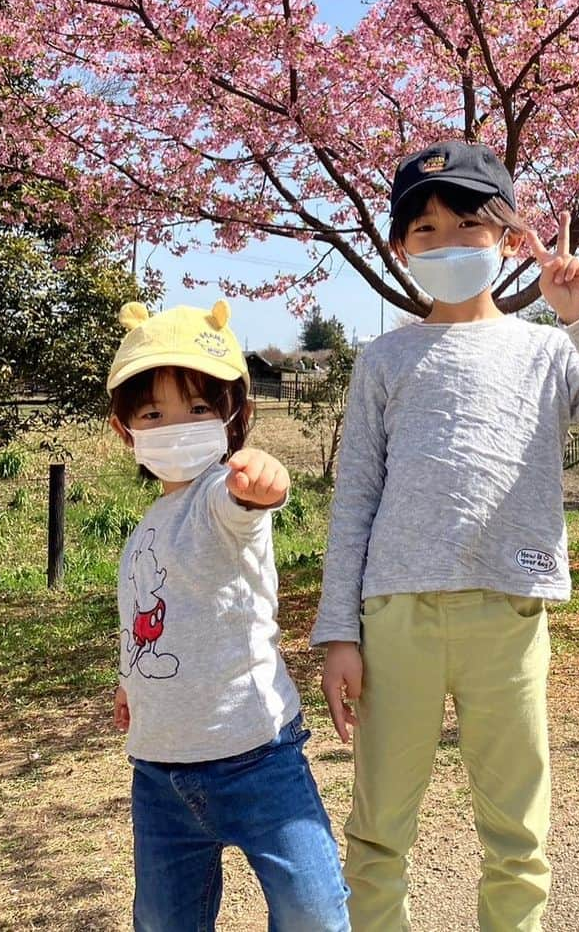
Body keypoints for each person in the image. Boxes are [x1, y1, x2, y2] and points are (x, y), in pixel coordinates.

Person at [312, 140, 579, 932]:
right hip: (394, 617)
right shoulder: (384, 359)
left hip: (509, 611)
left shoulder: (546, 350)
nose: (444, 244)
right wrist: (338, 630)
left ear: (509, 240)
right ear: (400, 248)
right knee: (377, 832)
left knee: (516, 831)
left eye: (467, 226)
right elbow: (355, 500)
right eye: (424, 230)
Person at [107, 299, 350, 932]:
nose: (176, 425)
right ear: (123, 428)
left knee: (313, 913)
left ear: (231, 419)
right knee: (164, 922)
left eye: (198, 409)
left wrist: (262, 483)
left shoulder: (220, 496)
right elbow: (147, 617)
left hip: (256, 756)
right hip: (159, 773)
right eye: (153, 413)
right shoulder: (144, 530)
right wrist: (131, 682)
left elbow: (249, 500)